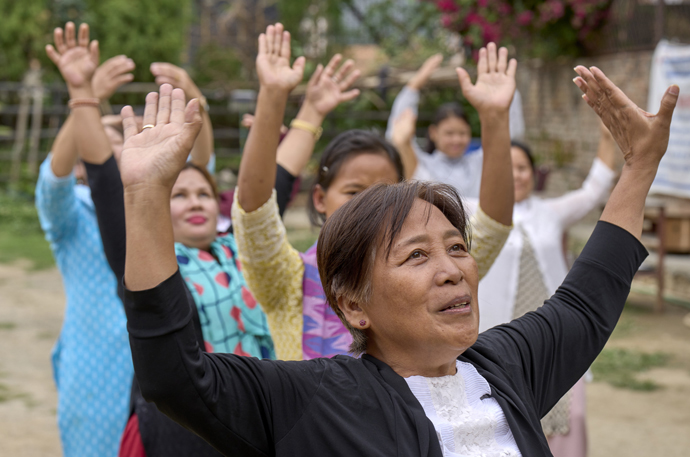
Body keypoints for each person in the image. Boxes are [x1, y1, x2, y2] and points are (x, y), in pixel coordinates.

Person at [115, 55, 678, 455]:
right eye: (415, 256)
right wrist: (144, 198)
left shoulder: (508, 368)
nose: (452, 268)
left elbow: (586, 301)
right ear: (353, 304)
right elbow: (176, 379)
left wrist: (639, 167)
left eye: (457, 248)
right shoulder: (311, 400)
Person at [231, 25, 515, 361]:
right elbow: (254, 212)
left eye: (386, 191)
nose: (371, 206)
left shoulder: (434, 270)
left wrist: (495, 119)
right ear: (320, 200)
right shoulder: (289, 283)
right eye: (353, 192)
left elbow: (493, 223)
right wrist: (274, 97)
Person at [475, 124, 618, 457]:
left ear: (533, 173)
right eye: (506, 168)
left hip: (557, 335)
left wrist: (606, 137)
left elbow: (595, 189)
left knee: (572, 415)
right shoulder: (473, 213)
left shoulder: (550, 213)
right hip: (500, 337)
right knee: (504, 418)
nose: (516, 176)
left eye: (522, 168)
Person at [36, 23, 135, 457]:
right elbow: (51, 182)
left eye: (118, 141)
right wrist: (84, 97)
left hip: (156, 364)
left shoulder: (155, 208)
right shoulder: (72, 216)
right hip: (94, 370)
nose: (107, 150)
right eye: (98, 141)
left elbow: (202, 168)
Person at [384, 53, 525, 194]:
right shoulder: (422, 164)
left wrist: (505, 96)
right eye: (449, 133)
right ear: (433, 133)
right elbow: (398, 135)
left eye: (462, 133)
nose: (456, 139)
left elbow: (508, 138)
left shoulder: (480, 163)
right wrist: (414, 85)